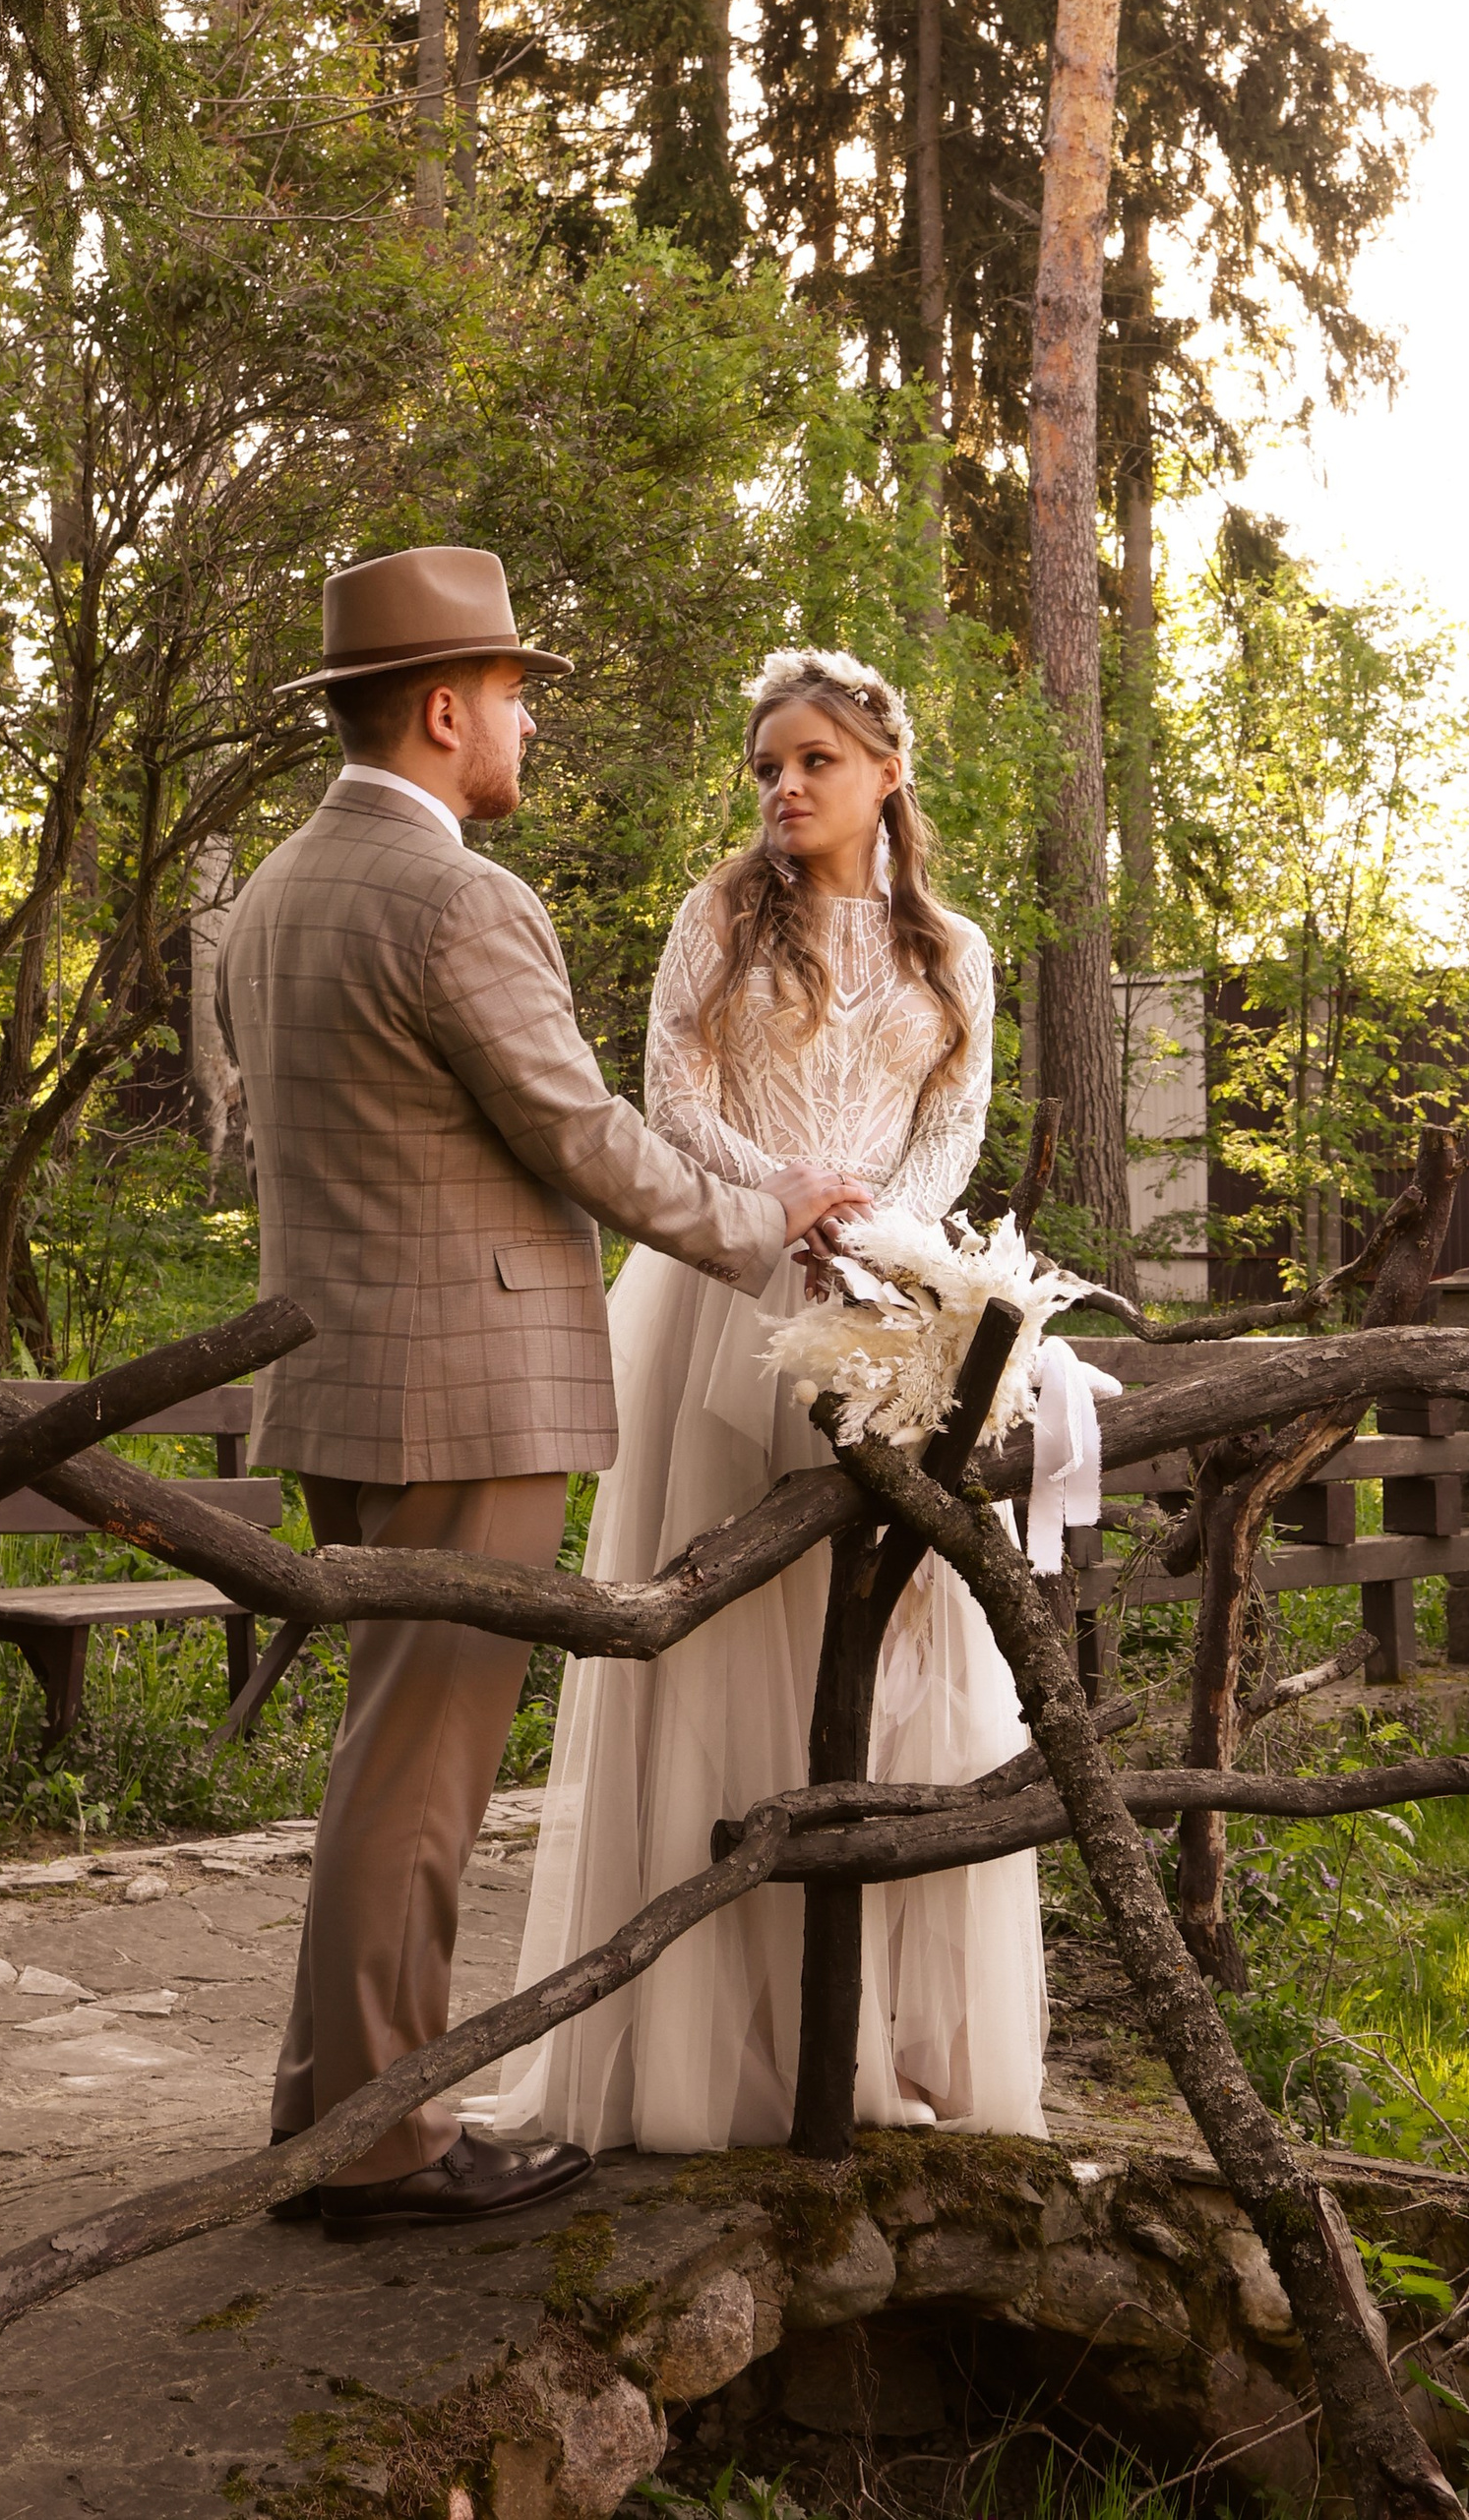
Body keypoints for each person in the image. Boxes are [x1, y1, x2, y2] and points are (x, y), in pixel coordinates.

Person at [216, 549, 873, 2234]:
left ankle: (325, 2110)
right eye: (514, 698)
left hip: (340, 1383)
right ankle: (382, 2146)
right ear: (445, 711)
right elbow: (581, 1135)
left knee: (388, 1749)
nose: (527, 728)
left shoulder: (279, 890)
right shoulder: (459, 901)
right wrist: (764, 1219)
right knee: (421, 1775)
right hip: (469, 1395)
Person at [469, 646, 1050, 2153]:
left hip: (891, 1290)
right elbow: (671, 1099)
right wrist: (787, 1198)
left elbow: (955, 1121)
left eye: (815, 762)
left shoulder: (955, 948)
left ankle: (885, 2032)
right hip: (731, 1281)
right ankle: (706, 2050)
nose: (786, 788)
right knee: (731, 1638)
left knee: (903, 1648)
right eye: (770, 769)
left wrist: (883, 1235)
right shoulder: (718, 919)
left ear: (886, 773)